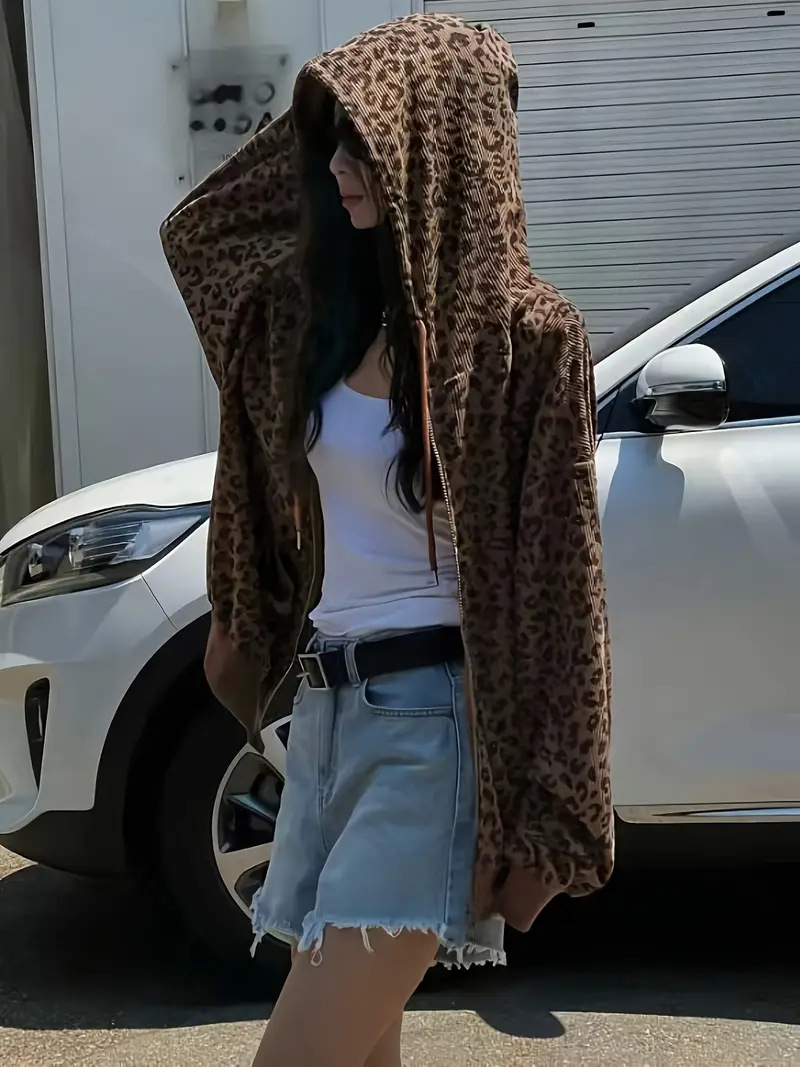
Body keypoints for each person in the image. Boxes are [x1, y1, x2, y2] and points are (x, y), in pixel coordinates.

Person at [161, 13, 613, 1067]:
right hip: (325, 717)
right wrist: (341, 116)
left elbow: (567, 598)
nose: (334, 169)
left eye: (363, 145)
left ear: (434, 148)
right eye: (331, 145)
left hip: (432, 729)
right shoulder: (322, 317)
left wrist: (558, 807)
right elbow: (202, 233)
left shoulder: (529, 338)